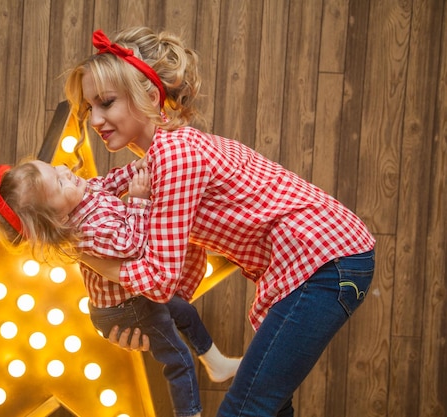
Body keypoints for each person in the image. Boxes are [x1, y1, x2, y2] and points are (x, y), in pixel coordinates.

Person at [63, 27, 376, 417]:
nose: (94, 119)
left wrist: (89, 259)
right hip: (321, 262)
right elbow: (103, 202)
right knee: (271, 408)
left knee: (246, 409)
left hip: (325, 259)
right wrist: (141, 321)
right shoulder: (159, 159)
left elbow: (159, 280)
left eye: (105, 103)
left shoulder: (176, 157)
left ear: (147, 94)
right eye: (88, 108)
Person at [0, 157, 241, 417]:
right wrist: (138, 201)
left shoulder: (82, 194)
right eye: (60, 184)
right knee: (177, 356)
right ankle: (189, 412)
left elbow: (111, 182)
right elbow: (131, 245)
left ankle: (215, 362)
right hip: (123, 309)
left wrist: (140, 167)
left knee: (185, 312)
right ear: (57, 220)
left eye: (55, 168)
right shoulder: (84, 232)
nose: (66, 172)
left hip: (133, 296)